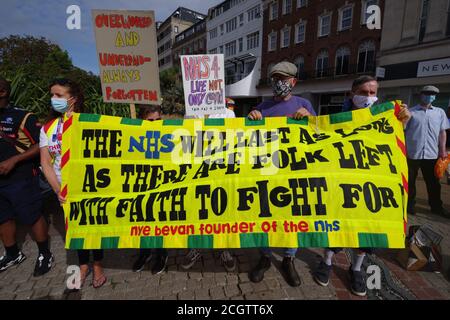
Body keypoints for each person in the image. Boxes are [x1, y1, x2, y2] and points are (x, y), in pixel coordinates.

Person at [312, 75, 411, 296]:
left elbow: (395, 145)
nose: (368, 97)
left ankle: (356, 269)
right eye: (363, 92)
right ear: (352, 94)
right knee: (337, 225)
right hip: (342, 182)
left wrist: (401, 122)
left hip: (371, 183)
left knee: (366, 230)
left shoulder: (384, 117)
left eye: (372, 93)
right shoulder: (336, 118)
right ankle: (327, 262)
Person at [247, 61, 316, 287]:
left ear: (293, 82)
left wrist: (310, 119)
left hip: (295, 174)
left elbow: (319, 137)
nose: (279, 83)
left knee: (292, 217)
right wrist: (252, 118)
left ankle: (289, 258)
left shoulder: (304, 104)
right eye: (275, 79)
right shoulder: (262, 107)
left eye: (283, 79)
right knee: (264, 215)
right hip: (267, 174)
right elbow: (246, 140)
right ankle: (265, 256)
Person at [40, 78, 107, 288]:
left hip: (89, 187)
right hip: (64, 191)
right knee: (74, 229)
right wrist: (58, 190)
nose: (53, 99)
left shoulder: (89, 122)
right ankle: (82, 265)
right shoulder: (47, 128)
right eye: (52, 94)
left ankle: (97, 266)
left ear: (72, 99)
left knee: (93, 229)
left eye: (58, 95)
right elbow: (46, 163)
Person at [0, 76, 53, 276]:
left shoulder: (22, 117)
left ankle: (44, 253)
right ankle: (12, 253)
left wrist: (15, 160)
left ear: (3, 92)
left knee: (31, 215)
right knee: (3, 218)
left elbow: (41, 143)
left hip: (20, 178)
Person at [181, 98, 237, 272]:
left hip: (221, 171)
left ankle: (223, 248)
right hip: (198, 172)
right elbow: (185, 142)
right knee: (197, 211)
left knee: (221, 210)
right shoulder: (190, 112)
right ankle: (197, 247)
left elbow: (235, 140)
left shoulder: (228, 113)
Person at [131, 105, 168, 274]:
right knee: (142, 220)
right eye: (150, 120)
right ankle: (145, 253)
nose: (154, 123)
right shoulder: (134, 135)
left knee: (160, 221)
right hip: (142, 186)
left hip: (162, 186)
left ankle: (161, 255)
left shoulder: (168, 135)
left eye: (157, 120)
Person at [405, 85, 449, 218]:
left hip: (431, 154)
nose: (430, 96)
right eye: (427, 93)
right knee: (410, 182)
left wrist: (442, 151)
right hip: (412, 153)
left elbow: (442, 132)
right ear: (420, 95)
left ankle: (436, 207)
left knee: (434, 184)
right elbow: (402, 130)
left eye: (432, 94)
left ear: (435, 97)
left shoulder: (440, 112)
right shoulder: (411, 112)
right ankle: (409, 206)